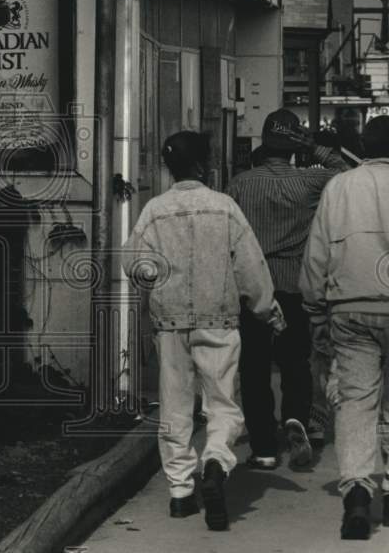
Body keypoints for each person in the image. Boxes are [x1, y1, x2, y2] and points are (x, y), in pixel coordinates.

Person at [123, 130, 285, 532]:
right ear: (203, 164)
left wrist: (156, 282)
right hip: (219, 321)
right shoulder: (224, 207)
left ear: (169, 168)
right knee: (223, 404)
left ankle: (180, 493)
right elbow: (251, 268)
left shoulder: (155, 211)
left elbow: (134, 262)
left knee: (175, 406)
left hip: (169, 322)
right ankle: (214, 461)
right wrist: (267, 310)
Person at [299, 115, 389, 540]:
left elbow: (318, 254)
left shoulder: (339, 188)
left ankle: (358, 497)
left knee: (355, 403)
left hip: (349, 310)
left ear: (363, 147)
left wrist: (314, 307)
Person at [227, 109, 349, 471]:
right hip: (294, 285)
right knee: (295, 361)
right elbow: (347, 176)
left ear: (264, 144)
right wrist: (317, 147)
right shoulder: (309, 184)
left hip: (253, 287)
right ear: (293, 145)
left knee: (254, 367)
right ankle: (296, 419)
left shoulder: (240, 184)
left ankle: (264, 446)